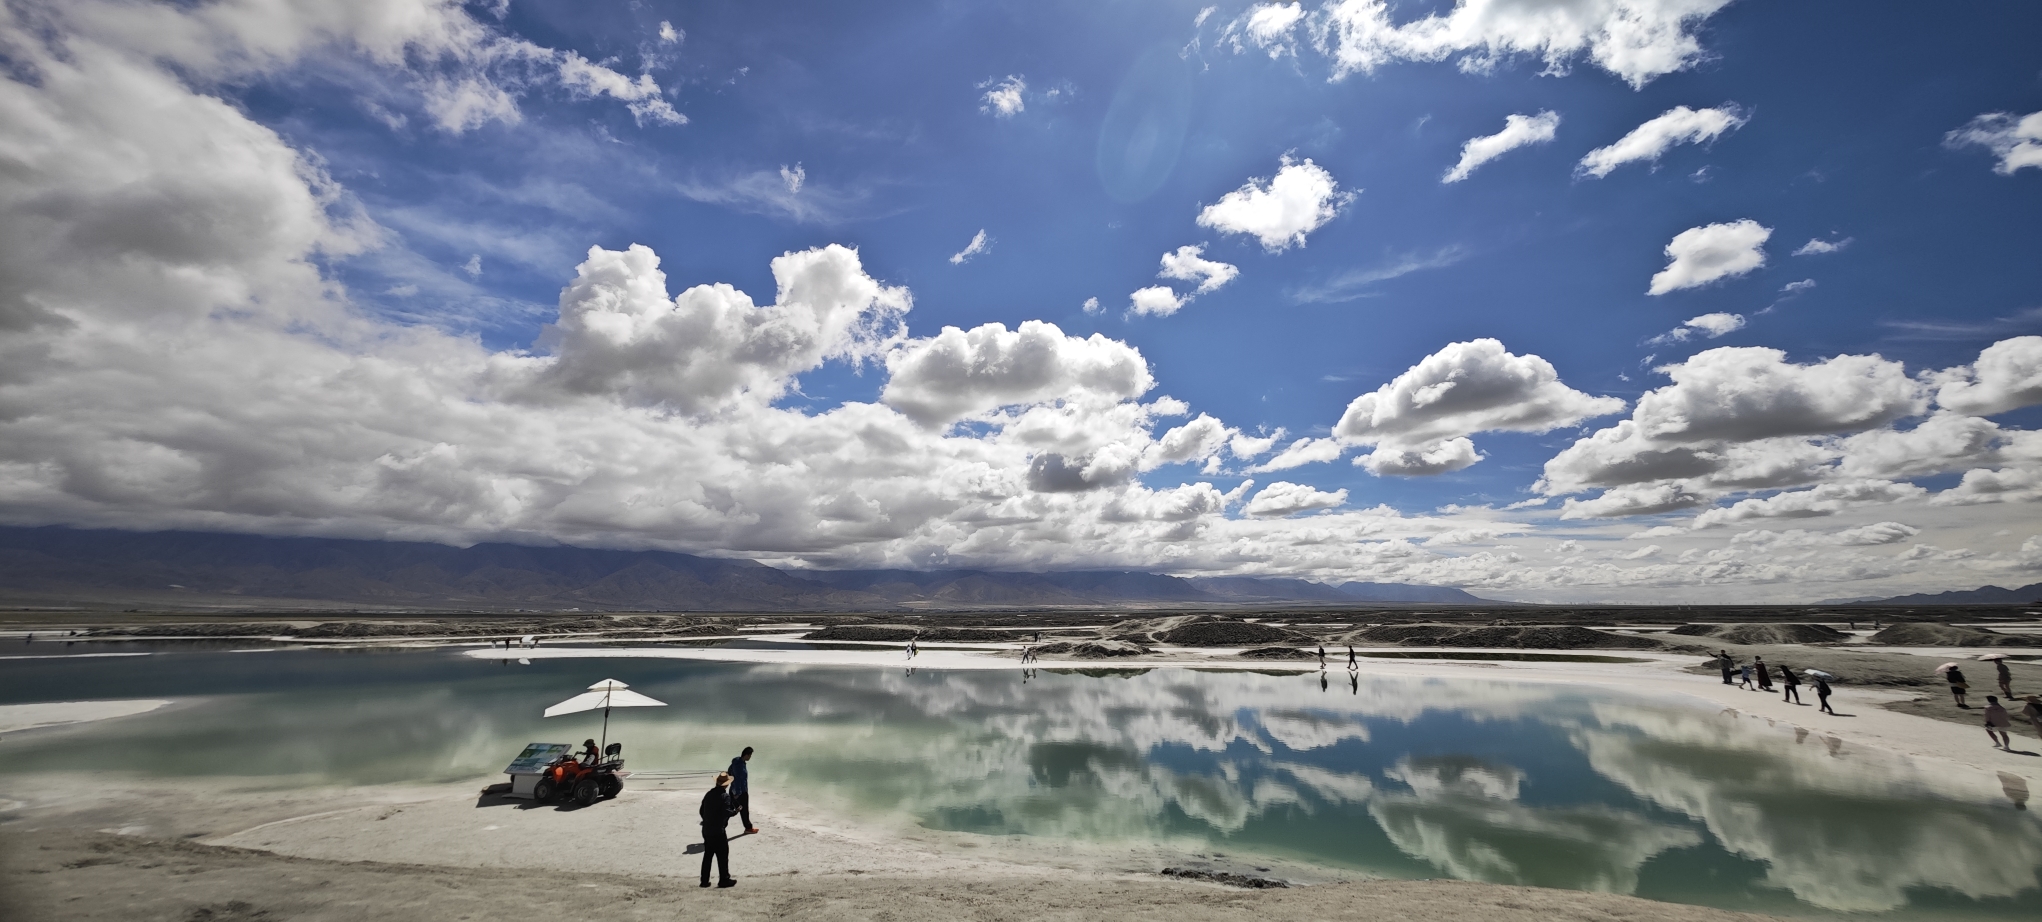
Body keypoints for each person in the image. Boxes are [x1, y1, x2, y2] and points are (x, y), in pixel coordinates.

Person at [699, 772, 738, 888]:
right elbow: (726, 812)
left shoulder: (709, 794)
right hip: (718, 831)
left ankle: (704, 881)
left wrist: (708, 820)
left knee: (708, 855)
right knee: (722, 855)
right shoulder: (724, 796)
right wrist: (736, 811)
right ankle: (724, 879)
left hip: (707, 829)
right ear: (726, 785)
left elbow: (702, 811)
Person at [727, 746, 758, 834]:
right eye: (750, 755)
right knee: (743, 810)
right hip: (740, 792)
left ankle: (717, 824)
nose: (750, 757)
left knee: (729, 809)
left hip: (734, 790)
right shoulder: (739, 765)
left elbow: (730, 772)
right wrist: (737, 793)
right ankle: (748, 828)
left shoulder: (738, 761)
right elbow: (738, 779)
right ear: (747, 755)